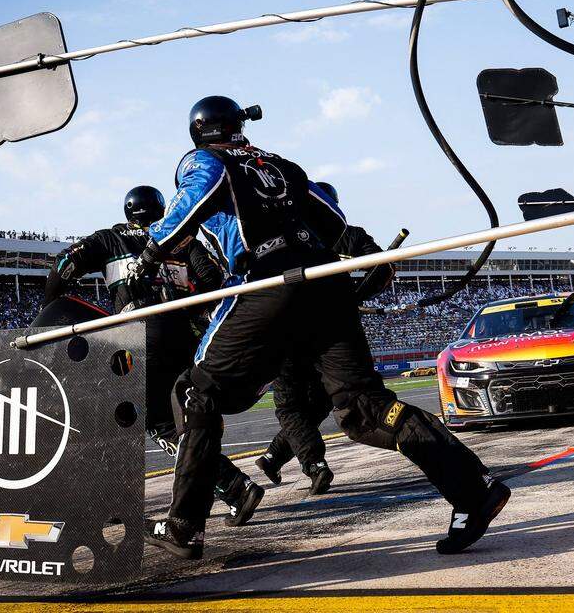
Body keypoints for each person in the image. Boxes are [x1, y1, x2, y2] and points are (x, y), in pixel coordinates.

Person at [136, 96, 508, 559]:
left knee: (198, 392)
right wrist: (372, 257)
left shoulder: (205, 160)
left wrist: (147, 259)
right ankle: (474, 490)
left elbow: (185, 212)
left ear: (197, 133)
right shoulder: (283, 166)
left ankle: (184, 527)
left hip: (268, 284)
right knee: (365, 410)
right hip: (326, 286)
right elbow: (333, 221)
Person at [41, 185, 265, 527]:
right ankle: (233, 489)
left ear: (128, 211)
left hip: (138, 339)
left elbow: (65, 264)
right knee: (187, 421)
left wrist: (51, 305)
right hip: (185, 338)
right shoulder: (180, 237)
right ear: (161, 209)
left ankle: (234, 488)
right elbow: (214, 282)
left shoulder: (109, 238)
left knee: (155, 423)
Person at [255, 181, 396, 495]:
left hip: (289, 326)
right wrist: (357, 294)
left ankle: (299, 461)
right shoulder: (351, 234)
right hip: (329, 328)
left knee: (294, 404)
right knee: (316, 399)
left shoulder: (280, 236)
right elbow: (383, 269)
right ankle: (283, 458)